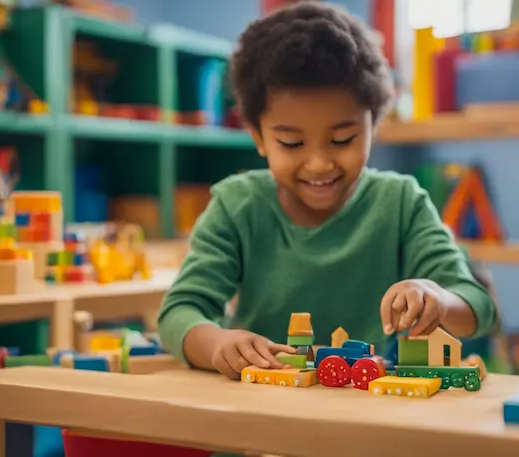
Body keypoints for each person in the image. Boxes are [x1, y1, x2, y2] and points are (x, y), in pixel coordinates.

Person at [157, 1, 498, 381]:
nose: (319, 164)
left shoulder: (401, 203)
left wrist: (436, 296)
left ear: (373, 124)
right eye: (291, 143)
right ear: (257, 136)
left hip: (362, 412)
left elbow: (477, 306)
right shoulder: (237, 204)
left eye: (343, 139)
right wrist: (217, 343)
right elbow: (179, 312)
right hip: (257, 411)